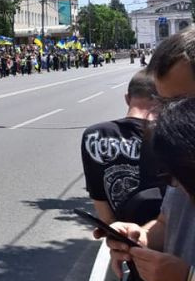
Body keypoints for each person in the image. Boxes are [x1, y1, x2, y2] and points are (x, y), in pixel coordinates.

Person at [101, 29, 195, 281]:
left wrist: (188, 277)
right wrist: (141, 236)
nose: (165, 116)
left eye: (181, 102)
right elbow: (169, 221)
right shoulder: (182, 150)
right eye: (163, 103)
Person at [80, 70, 164, 225]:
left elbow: (98, 194)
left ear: (127, 98)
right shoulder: (168, 135)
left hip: (120, 235)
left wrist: (115, 231)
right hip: (165, 236)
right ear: (161, 100)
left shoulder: (95, 135)